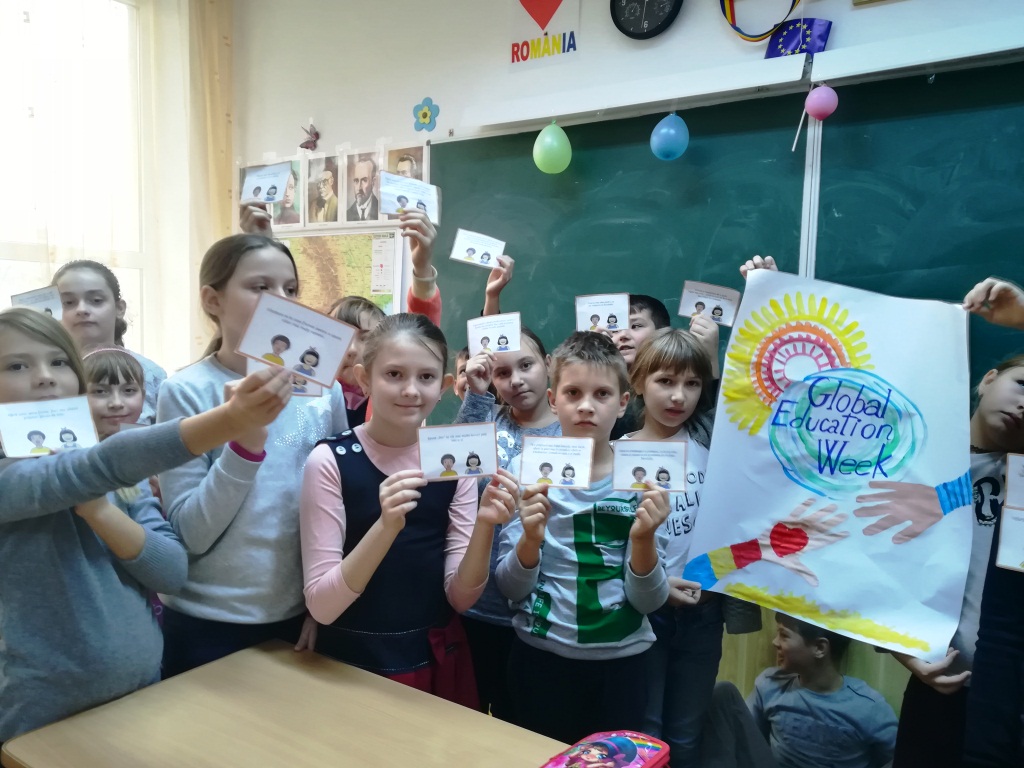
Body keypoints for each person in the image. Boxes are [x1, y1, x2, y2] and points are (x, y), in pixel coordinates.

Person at [0, 306, 291, 743]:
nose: (44, 377)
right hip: (40, 717)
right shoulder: (18, 476)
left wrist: (99, 511)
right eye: (17, 366)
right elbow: (93, 468)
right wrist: (230, 420)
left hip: (143, 695)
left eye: (58, 361)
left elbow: (171, 571)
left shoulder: (114, 479)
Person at [299, 313, 519, 705]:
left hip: (431, 657)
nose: (411, 390)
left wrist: (485, 524)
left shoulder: (455, 461)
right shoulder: (330, 461)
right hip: (348, 662)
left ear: (445, 386)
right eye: (394, 374)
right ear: (365, 378)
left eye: (426, 377)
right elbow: (323, 607)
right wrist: (386, 526)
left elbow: (460, 597)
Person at [156, 234, 350, 677]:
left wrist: (322, 606)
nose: (281, 301)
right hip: (206, 623)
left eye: (290, 289)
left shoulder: (325, 392)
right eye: (260, 287)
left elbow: (338, 509)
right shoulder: (186, 391)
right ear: (213, 300)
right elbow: (190, 534)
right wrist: (245, 442)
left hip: (298, 619)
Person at [496, 332, 670, 743]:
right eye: (573, 393)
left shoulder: (643, 477)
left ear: (623, 403)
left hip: (622, 665)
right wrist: (530, 541)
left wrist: (643, 541)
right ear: (553, 399)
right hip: (540, 658)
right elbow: (509, 588)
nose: (586, 406)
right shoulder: (528, 468)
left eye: (602, 394)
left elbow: (650, 602)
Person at [625, 325, 756, 766]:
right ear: (637, 382)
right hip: (643, 613)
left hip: (704, 612)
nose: (678, 396)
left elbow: (744, 405)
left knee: (685, 735)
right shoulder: (618, 453)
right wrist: (657, 586)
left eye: (692, 384)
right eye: (665, 381)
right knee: (645, 733)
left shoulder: (710, 444)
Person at [456, 325, 560, 720]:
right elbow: (451, 472)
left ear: (548, 364)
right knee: (468, 712)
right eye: (502, 372)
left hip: (535, 609)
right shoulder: (487, 417)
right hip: (477, 601)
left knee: (520, 719)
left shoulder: (569, 430)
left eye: (526, 365)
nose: (516, 380)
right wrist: (476, 393)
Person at [961, 277, 1024, 768]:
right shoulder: (918, 460)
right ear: (987, 378)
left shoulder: (1020, 484)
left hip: (1007, 690)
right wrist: (899, 651)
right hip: (940, 679)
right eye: (1022, 384)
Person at [703, 613, 897, 768]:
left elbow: (898, 758)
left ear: (819, 648)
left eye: (784, 635)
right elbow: (745, 740)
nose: (775, 642)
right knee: (723, 692)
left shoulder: (868, 706)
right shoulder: (770, 684)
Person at [52, 260, 167, 424]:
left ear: (119, 308)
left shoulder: (151, 375)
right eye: (68, 302)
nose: (82, 309)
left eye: (96, 300)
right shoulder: (42, 375)